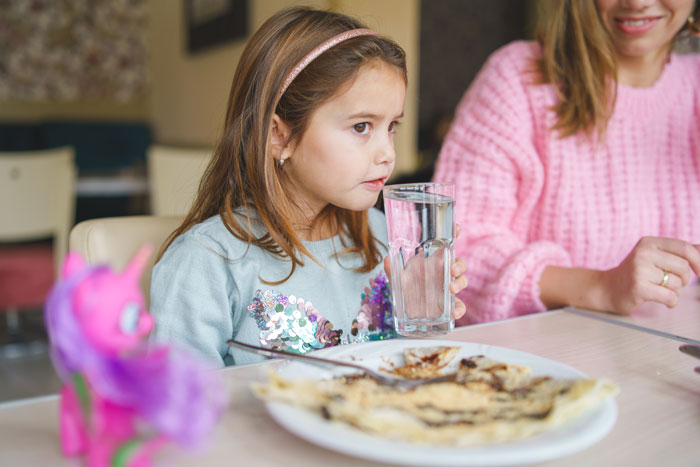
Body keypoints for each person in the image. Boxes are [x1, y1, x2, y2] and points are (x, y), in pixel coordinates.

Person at [150, 7, 468, 367]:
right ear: (279, 136)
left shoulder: (385, 240)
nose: (387, 154)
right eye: (362, 127)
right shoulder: (206, 263)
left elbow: (401, 374)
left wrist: (419, 317)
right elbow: (175, 409)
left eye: (391, 126)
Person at [433, 0, 700, 324]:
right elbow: (454, 256)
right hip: (542, 360)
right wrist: (601, 287)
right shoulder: (518, 78)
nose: (638, 3)